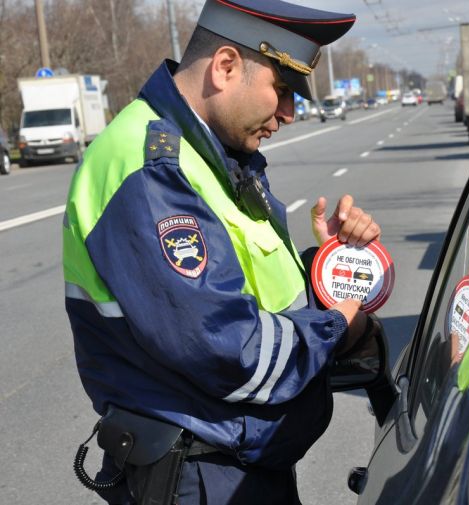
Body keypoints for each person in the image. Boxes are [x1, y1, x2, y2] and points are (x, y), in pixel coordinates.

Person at [62, 1, 380, 503]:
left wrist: (333, 267)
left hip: (232, 466)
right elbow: (229, 348)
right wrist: (336, 322)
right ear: (225, 66)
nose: (290, 114)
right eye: (283, 89)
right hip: (199, 475)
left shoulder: (210, 156)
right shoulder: (151, 167)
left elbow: (246, 291)